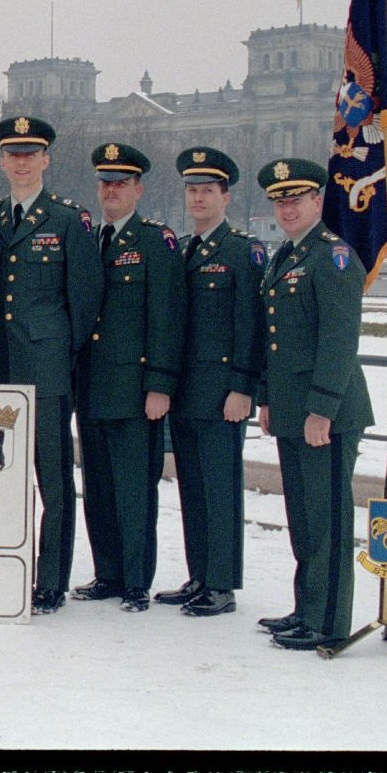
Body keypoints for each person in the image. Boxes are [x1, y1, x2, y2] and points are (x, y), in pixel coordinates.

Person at [0, 116, 102, 615]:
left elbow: (85, 303)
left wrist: (62, 359)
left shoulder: (69, 221)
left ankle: (50, 578)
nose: (22, 162)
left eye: (31, 154)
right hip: (4, 368)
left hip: (48, 370)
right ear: (2, 161)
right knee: (3, 475)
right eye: (13, 154)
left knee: (53, 480)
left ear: (46, 160)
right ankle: (7, 566)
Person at [254, 157, 374, 651]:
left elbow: (339, 340)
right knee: (303, 519)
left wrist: (322, 408)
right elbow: (274, 339)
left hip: (327, 412)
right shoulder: (288, 256)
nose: (287, 208)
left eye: (296, 199)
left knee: (326, 521)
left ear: (317, 201)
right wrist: (267, 399)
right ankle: (306, 608)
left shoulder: (334, 256)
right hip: (292, 409)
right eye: (280, 201)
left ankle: (327, 621)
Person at [73, 141, 185, 613]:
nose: (111, 191)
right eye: (105, 183)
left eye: (121, 183)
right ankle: (109, 573)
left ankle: (137, 580)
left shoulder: (154, 242)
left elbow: (167, 316)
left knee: (135, 490)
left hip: (136, 390)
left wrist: (160, 384)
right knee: (98, 488)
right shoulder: (91, 238)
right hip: (93, 387)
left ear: (138, 189)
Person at [155, 146, 266, 618]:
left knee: (221, 487)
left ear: (226, 196)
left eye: (208, 191)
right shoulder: (182, 248)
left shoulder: (243, 251)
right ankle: (199, 574)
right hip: (186, 391)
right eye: (192, 190)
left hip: (223, 393)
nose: (198, 199)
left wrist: (244, 387)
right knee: (192, 488)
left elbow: (252, 325)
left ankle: (221, 584)